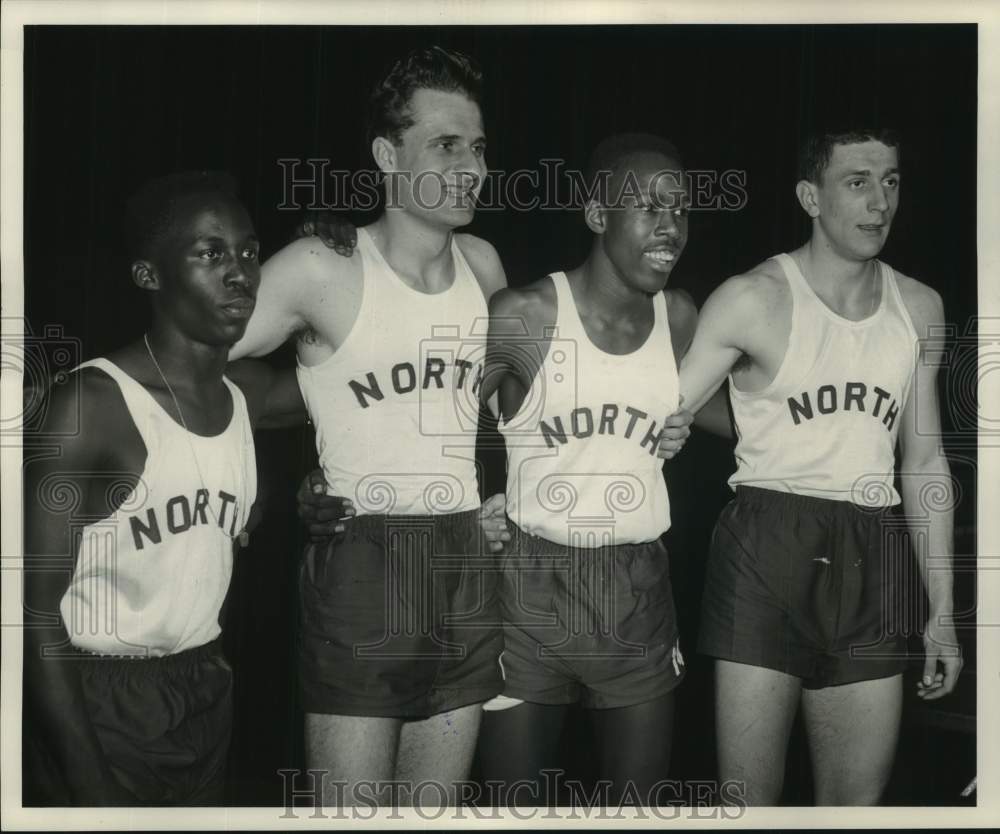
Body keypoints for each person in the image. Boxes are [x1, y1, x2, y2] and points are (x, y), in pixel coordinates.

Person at [226, 46, 507, 806]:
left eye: (477, 147)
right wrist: (261, 478)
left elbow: (500, 413)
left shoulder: (485, 265)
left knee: (433, 815)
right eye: (446, 145)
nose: (471, 167)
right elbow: (192, 358)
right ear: (388, 154)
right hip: (366, 559)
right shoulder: (324, 265)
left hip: (464, 559)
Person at [676, 128, 963, 805]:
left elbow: (922, 463)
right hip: (767, 541)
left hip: (872, 544)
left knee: (855, 808)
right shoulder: (752, 297)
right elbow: (657, 414)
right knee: (748, 804)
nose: (879, 201)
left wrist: (943, 611)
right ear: (810, 195)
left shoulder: (919, 307)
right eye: (857, 182)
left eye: (890, 181)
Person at [23, 171, 317, 806]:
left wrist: (336, 258)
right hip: (97, 695)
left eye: (248, 251)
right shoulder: (92, 406)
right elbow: (29, 619)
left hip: (203, 686)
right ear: (149, 275)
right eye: (210, 253)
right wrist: (90, 789)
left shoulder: (248, 396)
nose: (241, 273)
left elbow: (354, 379)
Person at [472, 133, 697, 805]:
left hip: (636, 586)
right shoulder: (526, 314)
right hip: (528, 584)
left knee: (635, 810)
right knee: (515, 811)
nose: (671, 226)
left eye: (681, 208)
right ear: (597, 215)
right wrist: (476, 497)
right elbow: (440, 418)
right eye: (650, 207)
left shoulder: (679, 317)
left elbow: (756, 407)